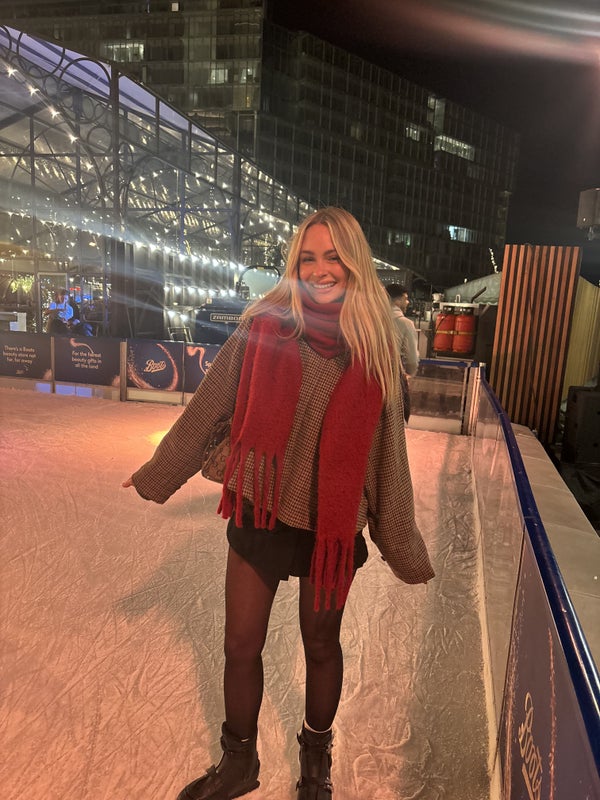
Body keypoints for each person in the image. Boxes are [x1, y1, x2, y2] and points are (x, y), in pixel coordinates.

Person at [122, 207, 435, 800]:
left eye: (333, 257)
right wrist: (158, 472)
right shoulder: (264, 326)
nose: (320, 269)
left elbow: (388, 458)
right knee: (240, 644)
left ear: (354, 263)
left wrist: (403, 546)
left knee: (321, 645)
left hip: (330, 524)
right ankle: (239, 762)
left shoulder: (376, 352)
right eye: (308, 258)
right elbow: (210, 405)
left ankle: (315, 764)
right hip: (261, 505)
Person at [385, 284, 419, 423]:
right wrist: (409, 373)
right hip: (393, 374)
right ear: (397, 301)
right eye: (406, 298)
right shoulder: (406, 324)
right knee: (392, 418)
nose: (408, 302)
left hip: (367, 374)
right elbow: (412, 357)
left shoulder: (372, 319)